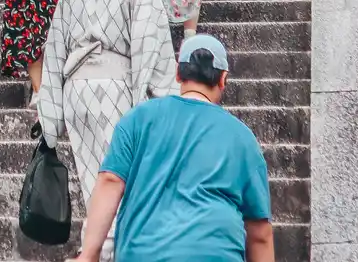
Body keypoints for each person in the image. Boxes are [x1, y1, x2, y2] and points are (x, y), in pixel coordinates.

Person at [39, 0, 176, 262]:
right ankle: (108, 250)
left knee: (93, 177)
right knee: (118, 176)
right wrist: (156, 98)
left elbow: (54, 50)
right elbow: (149, 46)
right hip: (117, 86)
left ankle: (95, 247)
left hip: (76, 88)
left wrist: (50, 116)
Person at [75, 34, 274, 262]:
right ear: (223, 79)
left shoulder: (137, 119)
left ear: (178, 74)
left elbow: (110, 181)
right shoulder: (243, 138)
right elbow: (260, 232)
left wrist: (88, 255)